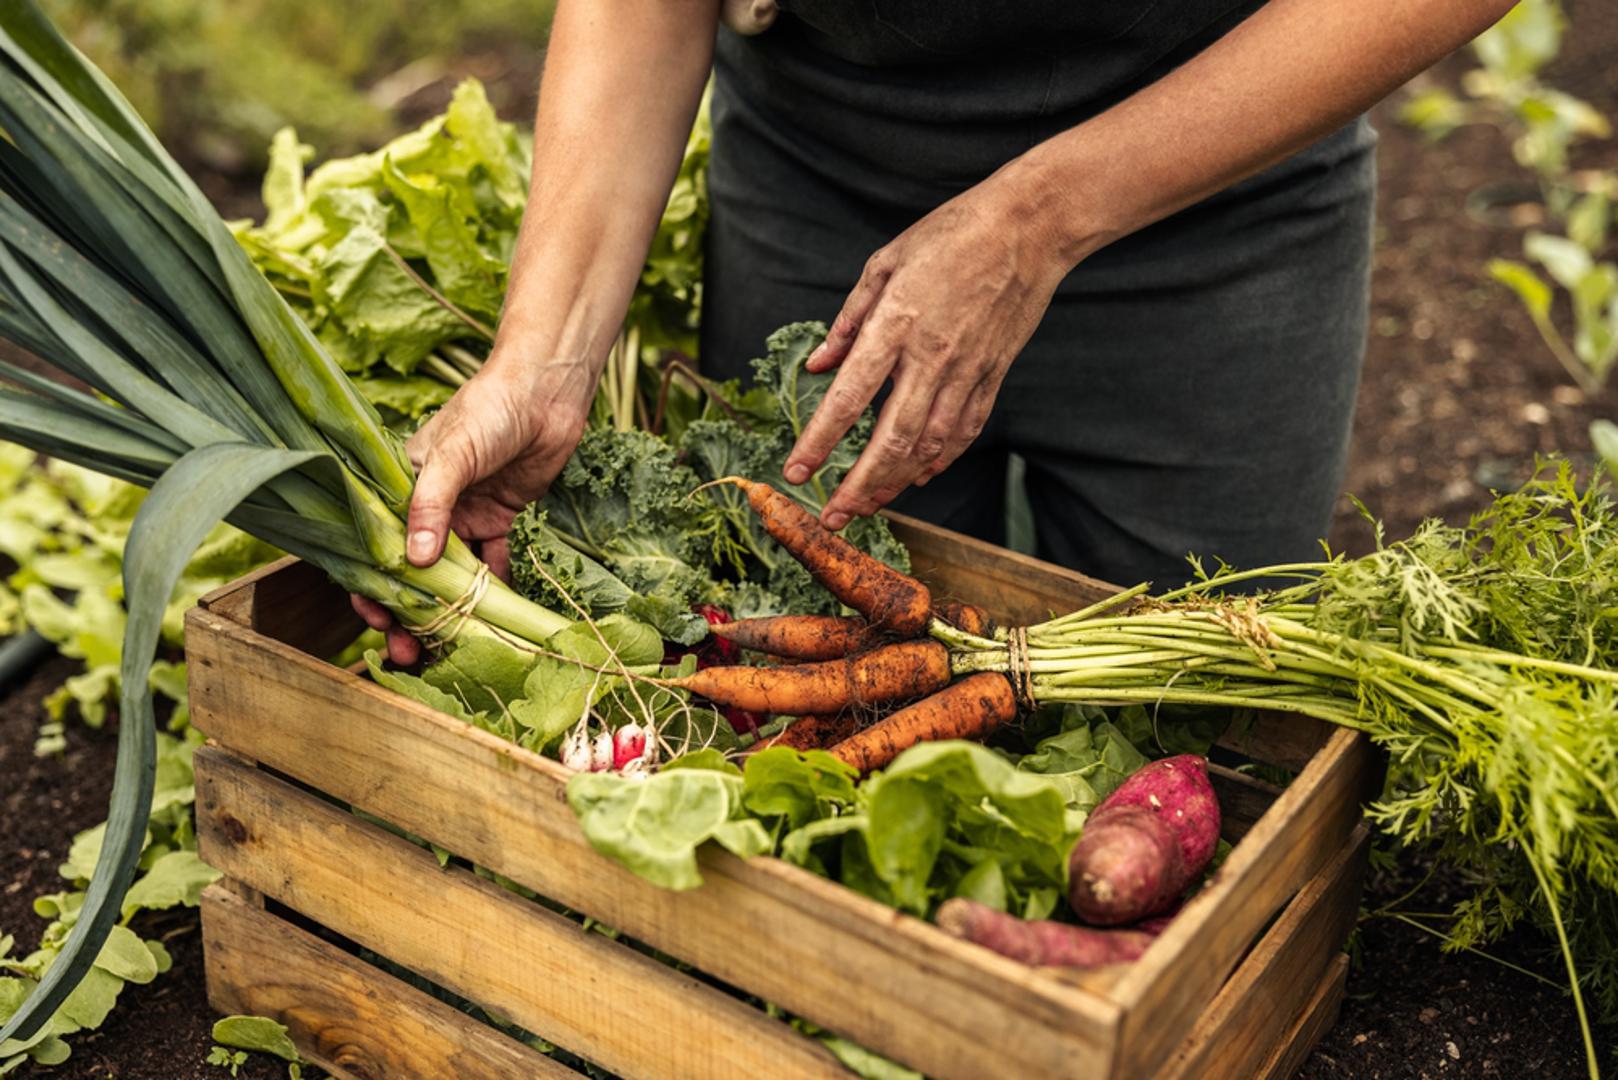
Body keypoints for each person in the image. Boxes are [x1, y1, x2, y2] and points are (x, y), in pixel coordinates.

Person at [354, 0, 1516, 664]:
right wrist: (546, 362)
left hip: (1218, 200)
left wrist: (1038, 218)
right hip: (827, 179)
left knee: (1189, 735)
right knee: (790, 669)